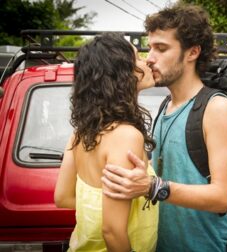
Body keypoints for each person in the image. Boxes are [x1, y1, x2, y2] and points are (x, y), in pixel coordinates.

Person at [101, 3, 227, 252]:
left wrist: (152, 187)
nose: (150, 58)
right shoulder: (165, 105)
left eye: (161, 48)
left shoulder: (217, 108)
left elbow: (222, 197)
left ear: (192, 52)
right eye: (150, 48)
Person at [54, 32, 158, 252]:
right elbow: (112, 231)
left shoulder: (81, 133)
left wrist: (111, 208)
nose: (147, 61)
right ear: (121, 74)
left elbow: (62, 197)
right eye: (137, 58)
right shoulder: (126, 136)